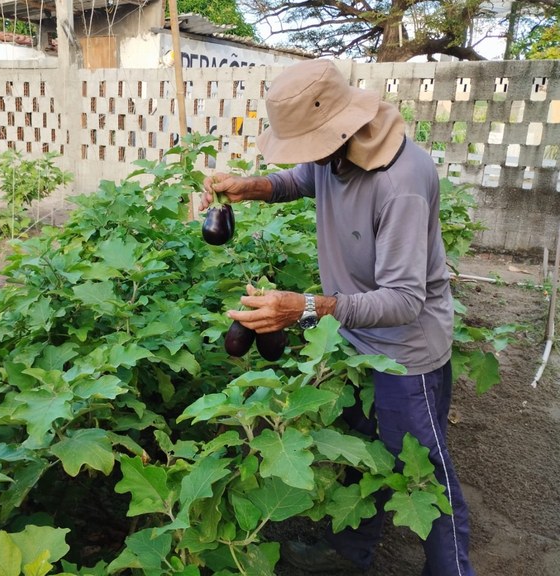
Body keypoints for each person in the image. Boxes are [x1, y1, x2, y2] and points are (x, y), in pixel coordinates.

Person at [200, 59, 474, 576]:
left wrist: (305, 307)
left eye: (309, 142)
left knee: (424, 476)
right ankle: (348, 555)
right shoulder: (337, 152)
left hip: (405, 353)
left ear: (339, 128)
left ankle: (452, 570)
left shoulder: (401, 183)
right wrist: (249, 186)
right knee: (359, 456)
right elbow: (302, 178)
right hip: (353, 340)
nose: (307, 154)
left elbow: (404, 301)